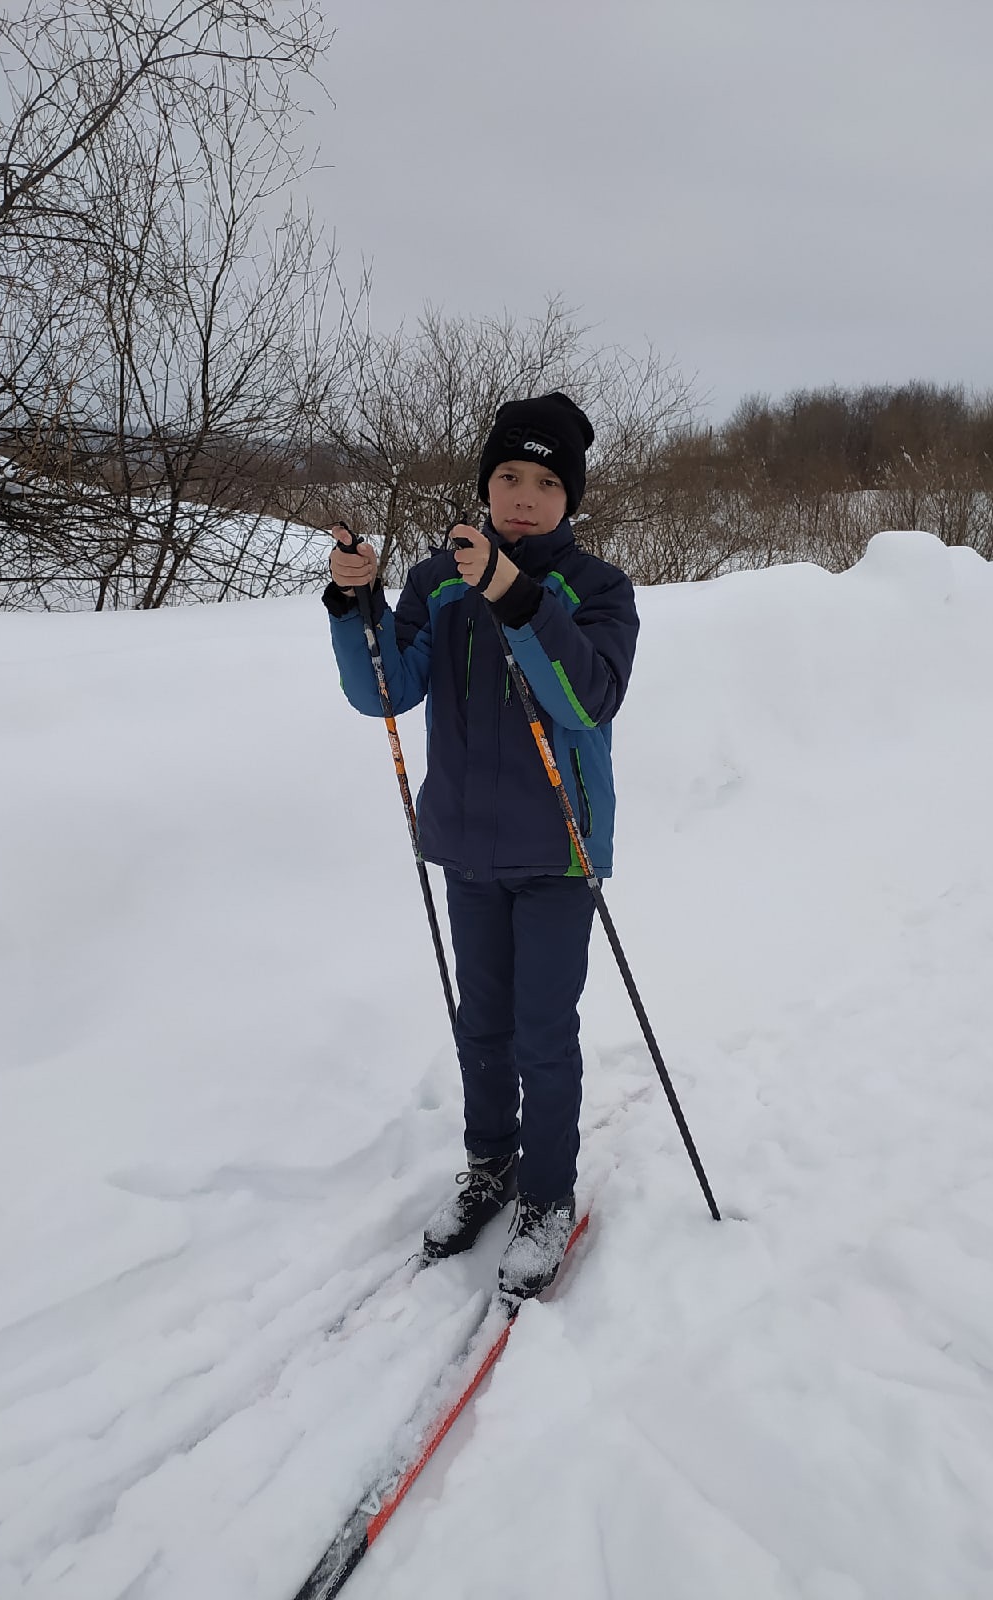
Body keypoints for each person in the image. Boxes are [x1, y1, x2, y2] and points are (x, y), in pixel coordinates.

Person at [323, 392, 639, 1300]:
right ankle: (490, 1164)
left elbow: (585, 700)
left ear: (569, 498)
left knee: (543, 1032)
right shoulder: (439, 582)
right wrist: (355, 601)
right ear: (484, 484)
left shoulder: (596, 589)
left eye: (546, 482)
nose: (524, 496)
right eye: (508, 476)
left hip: (558, 852)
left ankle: (546, 1195)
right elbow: (386, 691)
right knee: (483, 1027)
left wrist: (518, 598)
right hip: (466, 848)